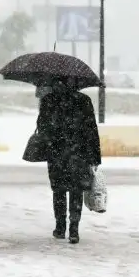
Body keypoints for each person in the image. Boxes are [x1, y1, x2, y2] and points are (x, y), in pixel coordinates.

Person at [36, 79, 101, 244]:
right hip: (79, 153)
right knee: (76, 189)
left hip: (56, 152)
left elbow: (42, 127)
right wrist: (95, 156)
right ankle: (74, 229)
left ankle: (59, 227)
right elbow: (91, 129)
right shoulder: (83, 100)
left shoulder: (49, 100)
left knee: (59, 190)